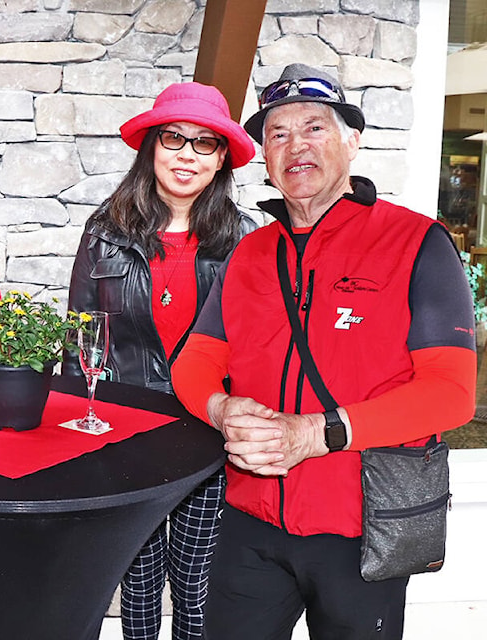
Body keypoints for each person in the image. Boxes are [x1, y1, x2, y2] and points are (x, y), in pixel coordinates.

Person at [171, 63, 477, 639]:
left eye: (314, 127)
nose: (295, 146)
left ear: (351, 142)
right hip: (250, 521)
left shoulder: (418, 243)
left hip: (362, 528)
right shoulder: (248, 254)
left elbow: (452, 395)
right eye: (278, 134)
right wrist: (219, 409)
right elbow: (196, 362)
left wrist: (313, 434)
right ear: (264, 154)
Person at [64, 82, 257, 640]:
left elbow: (259, 349)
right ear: (152, 145)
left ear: (221, 159)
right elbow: (82, 337)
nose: (186, 155)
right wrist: (79, 432)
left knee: (198, 580)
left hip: (208, 436)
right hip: (129, 434)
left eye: (204, 144)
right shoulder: (105, 233)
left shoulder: (248, 240)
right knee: (139, 580)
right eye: (174, 138)